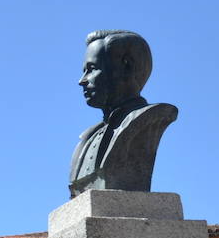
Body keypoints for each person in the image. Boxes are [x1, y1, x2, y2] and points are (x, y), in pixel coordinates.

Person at [67, 29, 177, 196]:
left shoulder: (148, 118)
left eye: (92, 69)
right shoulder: (87, 139)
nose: (82, 80)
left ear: (127, 66)